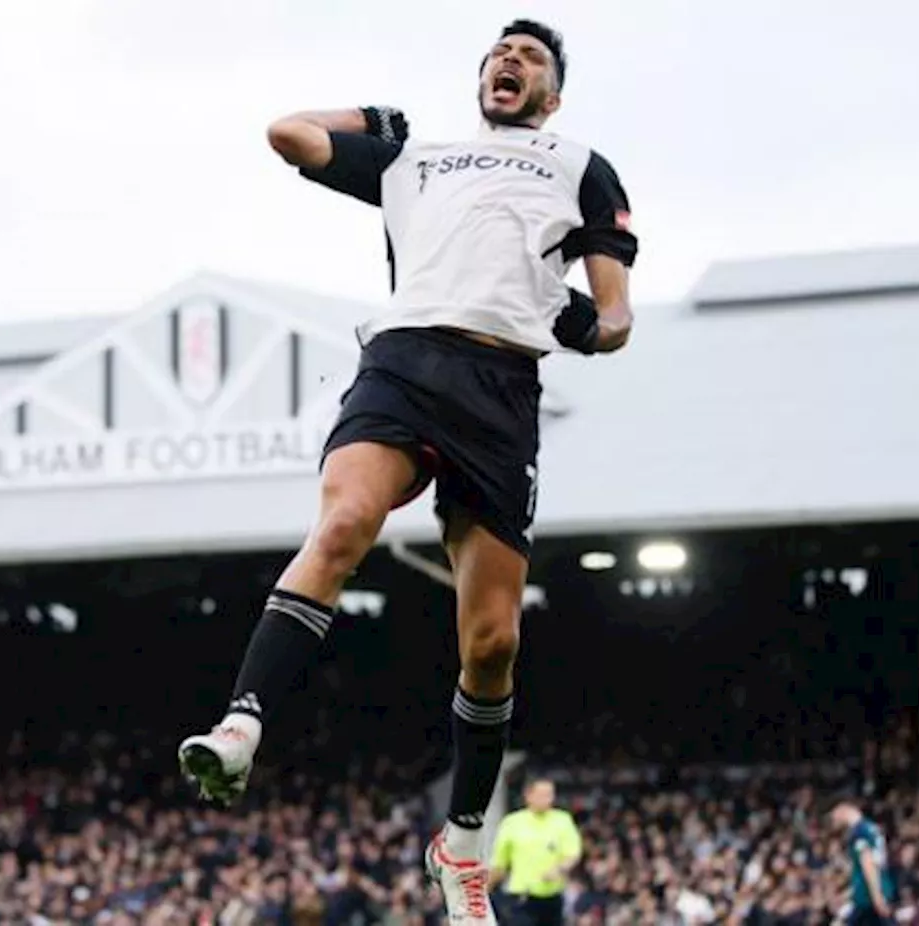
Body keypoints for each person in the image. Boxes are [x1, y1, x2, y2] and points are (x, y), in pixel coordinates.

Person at [179, 17, 636, 924]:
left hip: (500, 390)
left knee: (492, 642)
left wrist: (569, 319)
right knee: (344, 524)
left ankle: (461, 842)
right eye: (498, 52)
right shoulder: (414, 157)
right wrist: (368, 114)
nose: (508, 61)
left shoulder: (580, 165)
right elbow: (287, 133)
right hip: (401, 367)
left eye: (530, 57)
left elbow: (617, 318)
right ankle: (242, 724)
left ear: (552, 95)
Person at [489, 778, 582, 925]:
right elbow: (500, 864)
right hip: (521, 897)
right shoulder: (512, 822)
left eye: (550, 794)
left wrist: (560, 868)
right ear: (528, 795)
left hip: (553, 897)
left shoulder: (562, 820)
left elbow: (572, 854)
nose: (548, 799)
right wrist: (486, 888)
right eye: (542, 794)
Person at [831, 800, 895, 925]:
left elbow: (868, 864)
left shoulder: (859, 832)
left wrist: (876, 895)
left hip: (866, 897)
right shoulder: (872, 828)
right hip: (876, 891)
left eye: (834, 815)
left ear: (842, 810)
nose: (833, 820)